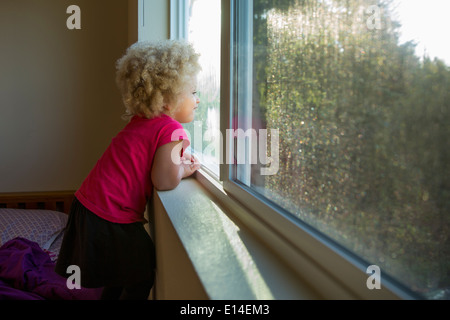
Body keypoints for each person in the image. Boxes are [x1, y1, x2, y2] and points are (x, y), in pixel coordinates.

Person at [55, 40, 202, 300]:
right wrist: (184, 170)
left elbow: (149, 160)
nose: (197, 99)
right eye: (192, 92)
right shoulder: (173, 130)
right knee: (141, 272)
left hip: (89, 205)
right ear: (167, 100)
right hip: (109, 214)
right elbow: (164, 180)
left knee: (121, 273)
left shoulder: (144, 122)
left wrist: (175, 162)